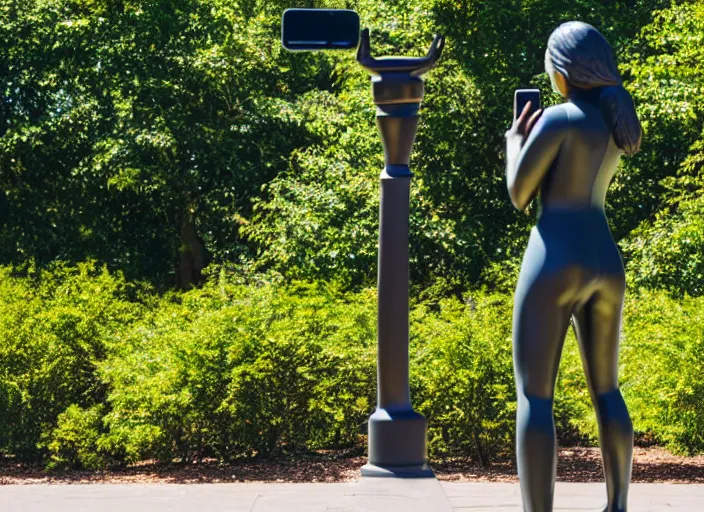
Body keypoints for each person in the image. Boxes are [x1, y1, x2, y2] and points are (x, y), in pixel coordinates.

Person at [505, 21, 642, 512]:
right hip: (605, 257)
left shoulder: (557, 120)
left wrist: (512, 143)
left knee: (535, 396)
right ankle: (618, 505)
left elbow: (520, 195)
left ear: (562, 72)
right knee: (607, 386)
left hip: (554, 256)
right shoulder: (613, 123)